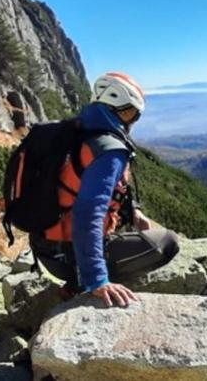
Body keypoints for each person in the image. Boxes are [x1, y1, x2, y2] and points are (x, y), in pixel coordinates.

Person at [30, 72, 179, 307]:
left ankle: (78, 278)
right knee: (167, 242)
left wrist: (134, 212)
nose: (130, 122)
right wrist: (97, 279)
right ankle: (81, 283)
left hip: (45, 247)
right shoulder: (109, 150)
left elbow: (75, 185)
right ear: (116, 110)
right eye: (130, 113)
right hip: (68, 257)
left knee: (129, 224)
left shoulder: (75, 130)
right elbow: (87, 214)